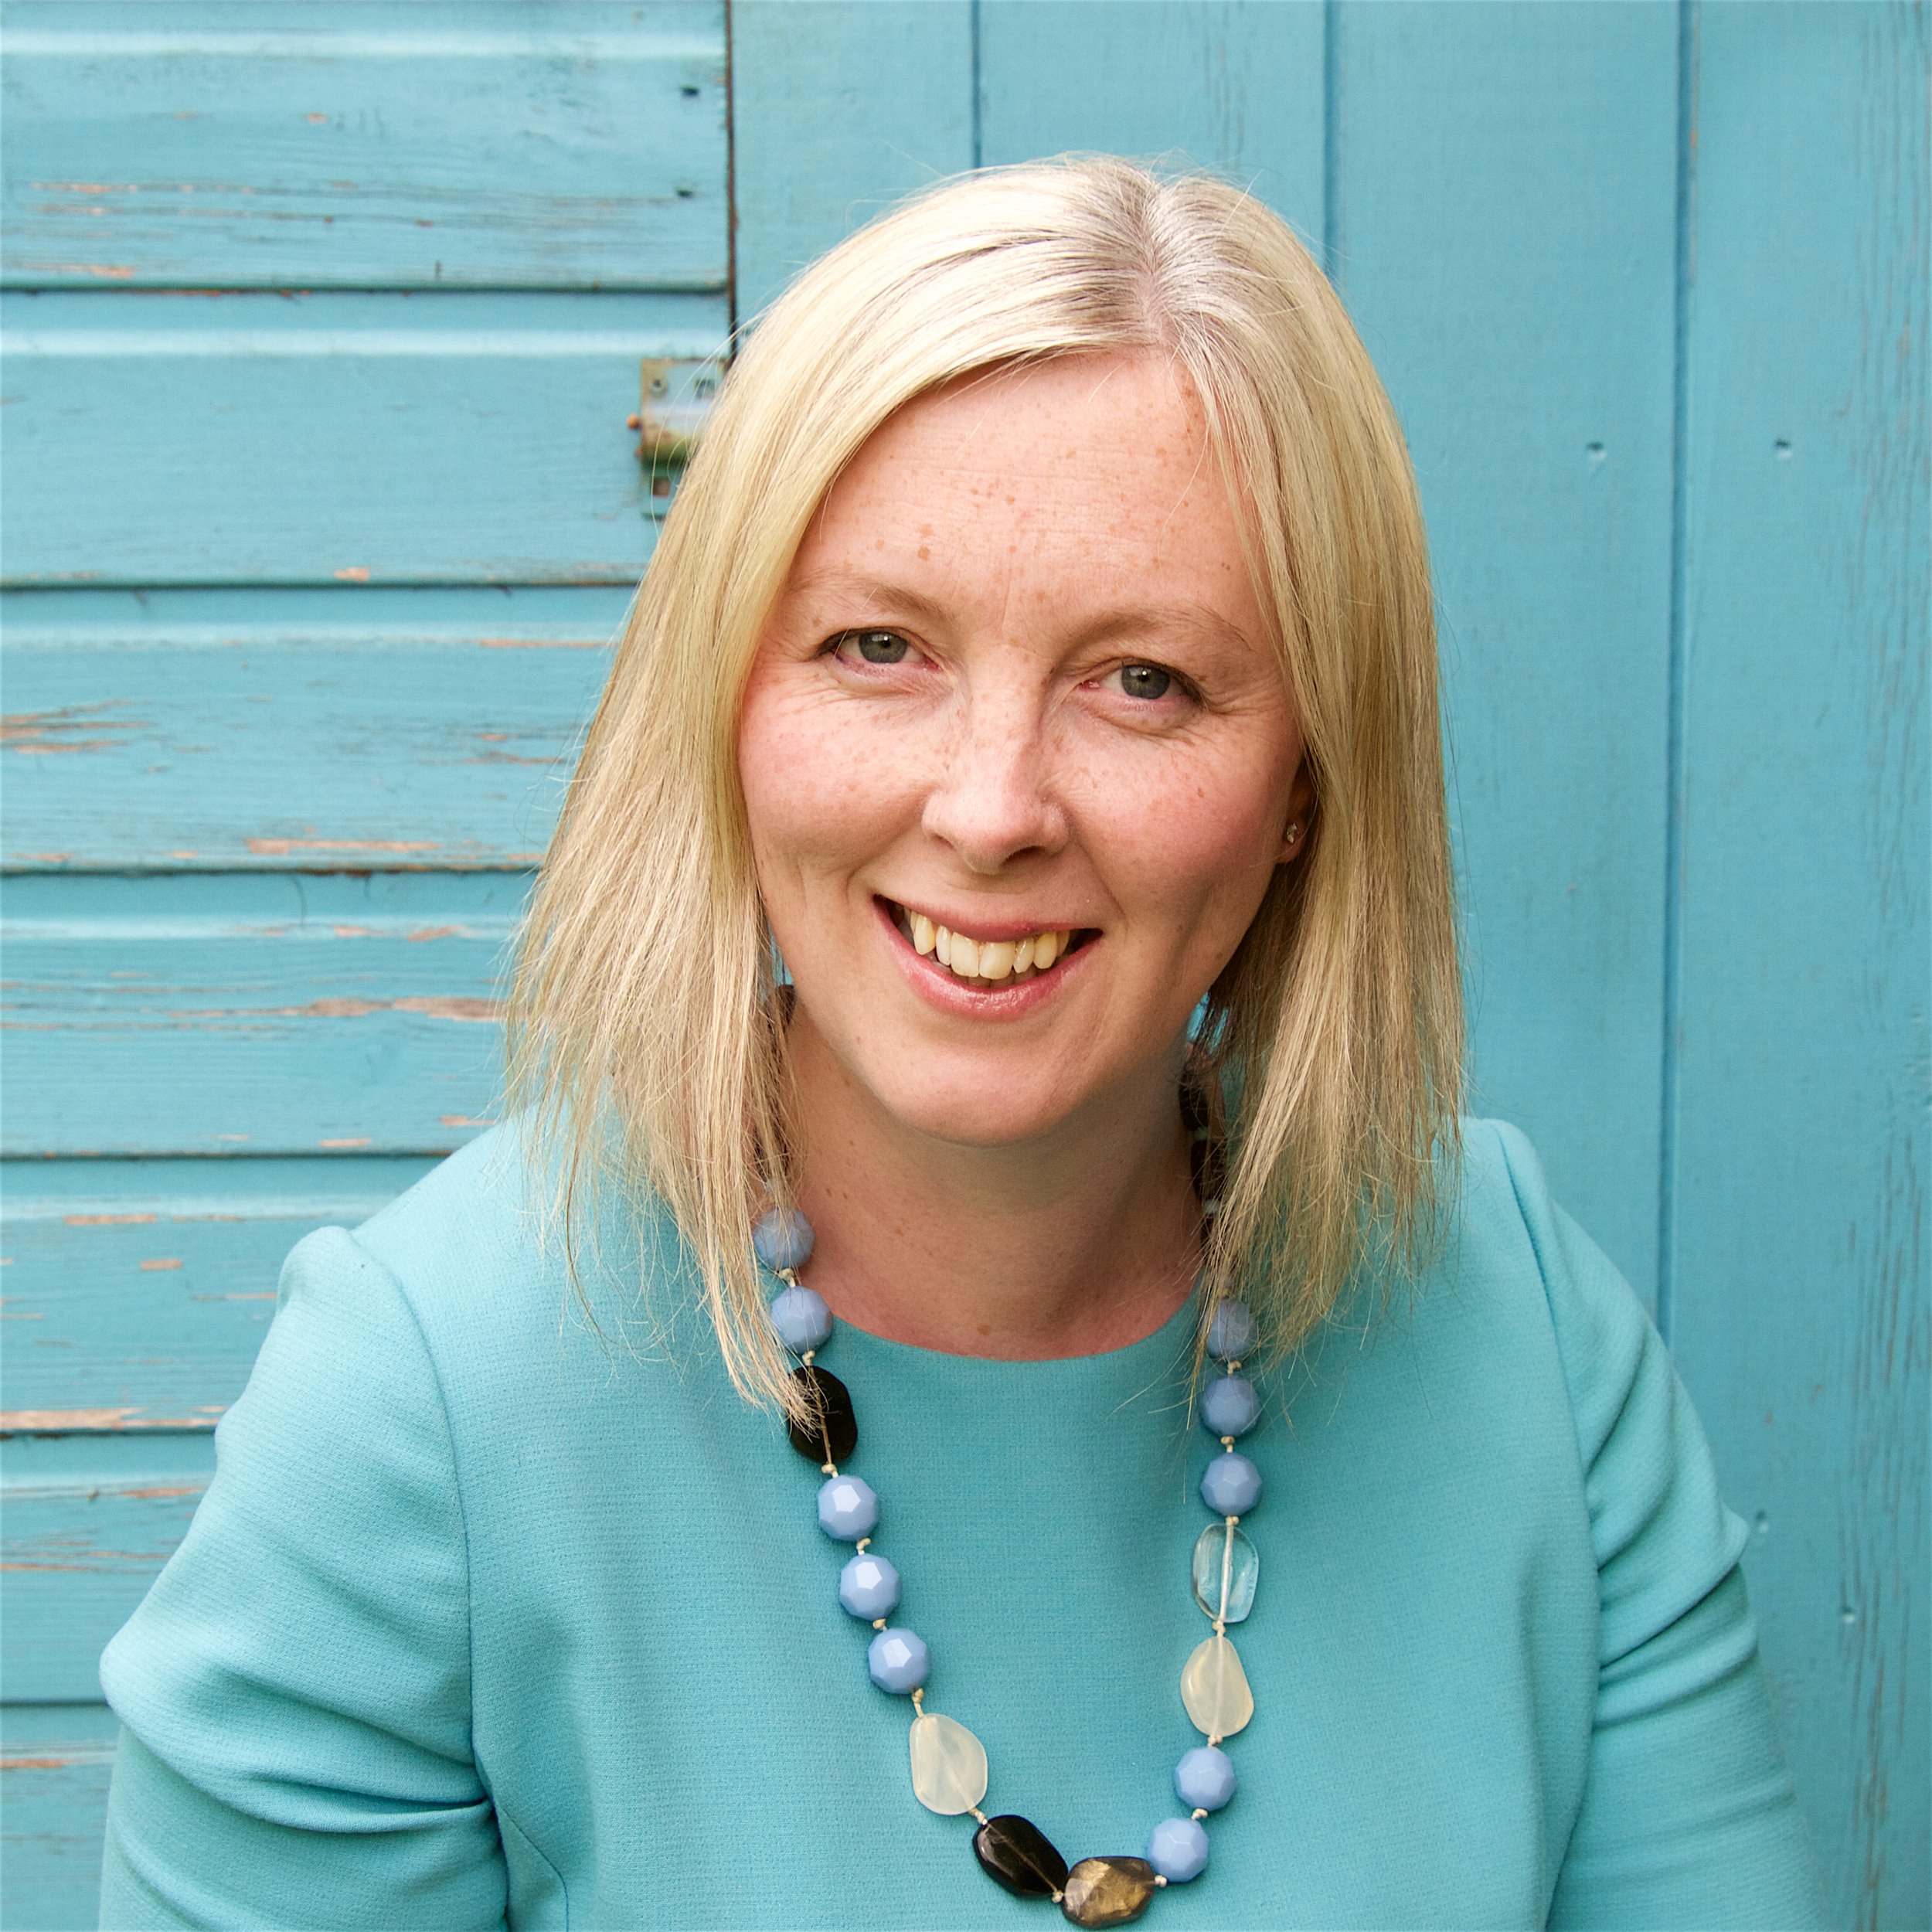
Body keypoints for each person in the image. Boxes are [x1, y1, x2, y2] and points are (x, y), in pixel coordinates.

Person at [96, 158, 1824, 1930]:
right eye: (876, 646)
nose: (991, 807)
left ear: (1303, 783)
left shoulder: (1510, 1311)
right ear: (725, 708)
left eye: (1140, 677)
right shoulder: (428, 1406)